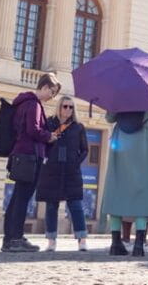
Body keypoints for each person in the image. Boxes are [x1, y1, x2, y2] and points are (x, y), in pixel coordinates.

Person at [1, 73, 61, 253]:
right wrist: (49, 136)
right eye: (52, 92)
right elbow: (33, 130)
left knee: (17, 198)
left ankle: (10, 238)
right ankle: (16, 238)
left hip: (21, 155)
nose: (52, 97)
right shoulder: (34, 104)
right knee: (22, 199)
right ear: (44, 87)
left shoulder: (23, 102)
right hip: (29, 156)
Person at [100, 109, 148, 256]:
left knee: (117, 188)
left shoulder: (120, 93)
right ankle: (139, 245)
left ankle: (115, 243)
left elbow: (110, 117)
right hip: (145, 143)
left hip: (121, 140)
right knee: (144, 192)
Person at [36, 95, 89, 252]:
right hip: (52, 170)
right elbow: (42, 141)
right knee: (51, 206)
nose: (68, 109)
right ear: (59, 107)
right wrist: (46, 158)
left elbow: (85, 149)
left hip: (71, 171)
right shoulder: (49, 123)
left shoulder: (78, 127)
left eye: (71, 107)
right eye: (65, 106)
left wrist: (76, 162)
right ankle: (51, 240)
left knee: (76, 205)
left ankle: (82, 239)